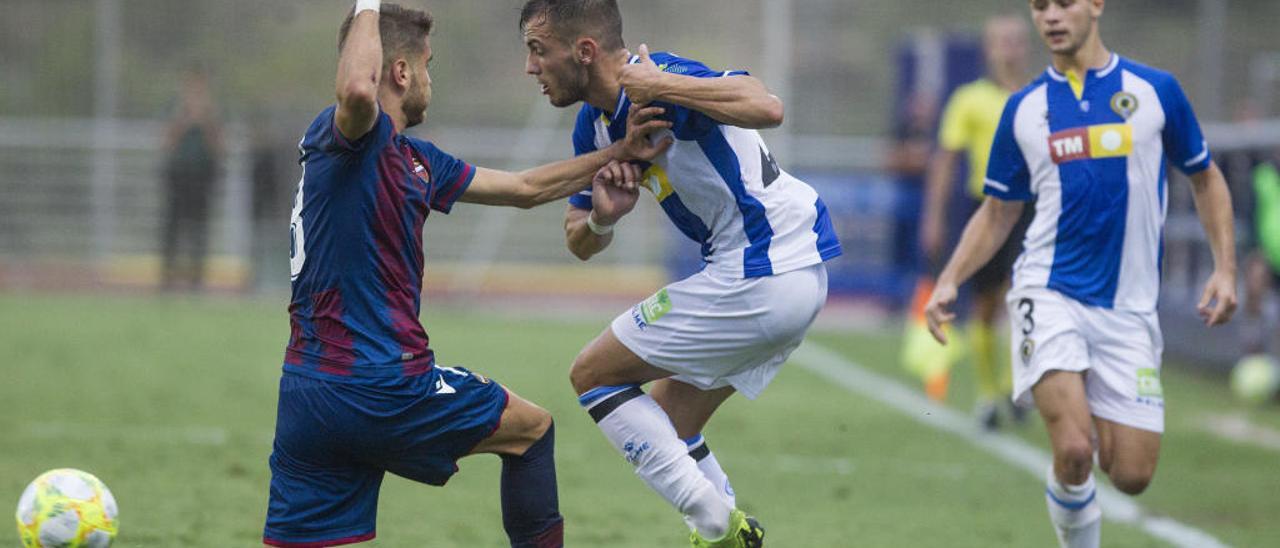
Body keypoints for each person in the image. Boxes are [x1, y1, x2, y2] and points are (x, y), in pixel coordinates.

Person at [263, 2, 670, 546]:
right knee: (532, 431)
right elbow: (359, 91)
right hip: (384, 386)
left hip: (308, 397)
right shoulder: (354, 136)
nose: (431, 78)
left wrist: (619, 151)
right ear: (401, 72)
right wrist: (368, 5)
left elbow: (525, 190)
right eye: (427, 64)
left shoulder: (414, 159)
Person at [519, 1, 842, 546]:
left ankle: (714, 524)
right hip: (791, 272)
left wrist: (662, 86)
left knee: (592, 374)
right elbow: (579, 239)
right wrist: (602, 217)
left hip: (763, 268)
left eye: (536, 49)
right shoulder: (594, 128)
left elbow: (766, 106)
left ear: (584, 51)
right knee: (670, 419)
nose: (531, 68)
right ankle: (728, 533)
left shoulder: (664, 76)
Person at [924, 1, 1237, 547]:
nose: (1050, 16)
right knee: (1073, 450)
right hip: (1047, 293)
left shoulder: (1155, 90)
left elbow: (1205, 177)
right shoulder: (1023, 110)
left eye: (1064, 2)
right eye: (1040, 5)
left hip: (1129, 308)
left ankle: (1077, 442)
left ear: (1096, 5)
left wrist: (1226, 268)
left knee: (1132, 475)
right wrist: (950, 277)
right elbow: (999, 210)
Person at [919, 14, 1032, 429]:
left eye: (1016, 40)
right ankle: (990, 393)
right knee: (985, 305)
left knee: (1024, 298)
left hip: (1034, 208)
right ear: (988, 48)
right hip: (986, 208)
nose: (1009, 48)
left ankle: (1017, 385)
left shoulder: (1042, 98)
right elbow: (946, 159)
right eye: (1001, 41)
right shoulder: (969, 99)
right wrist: (932, 218)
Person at [160, 67, 223, 291]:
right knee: (172, 228)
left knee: (199, 229)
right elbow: (167, 142)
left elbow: (218, 146)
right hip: (178, 175)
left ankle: (196, 279)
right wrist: (185, 119)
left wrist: (204, 120)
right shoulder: (175, 108)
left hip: (202, 177)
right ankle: (167, 278)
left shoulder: (212, 112)